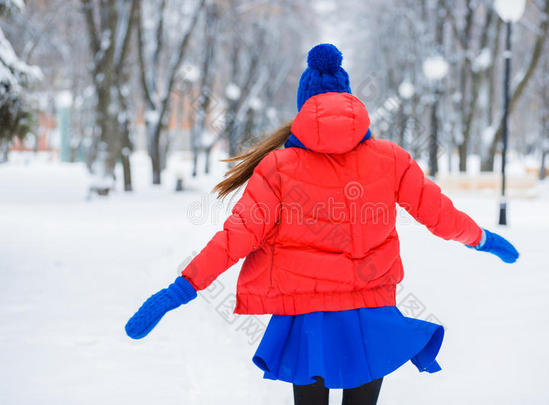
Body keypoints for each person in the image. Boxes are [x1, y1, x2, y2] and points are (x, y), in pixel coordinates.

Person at [125, 44, 519, 405]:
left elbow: (235, 238)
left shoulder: (277, 167)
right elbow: (440, 216)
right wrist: (481, 238)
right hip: (370, 313)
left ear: (303, 107)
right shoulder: (391, 159)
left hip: (305, 318)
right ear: (349, 100)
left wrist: (181, 289)